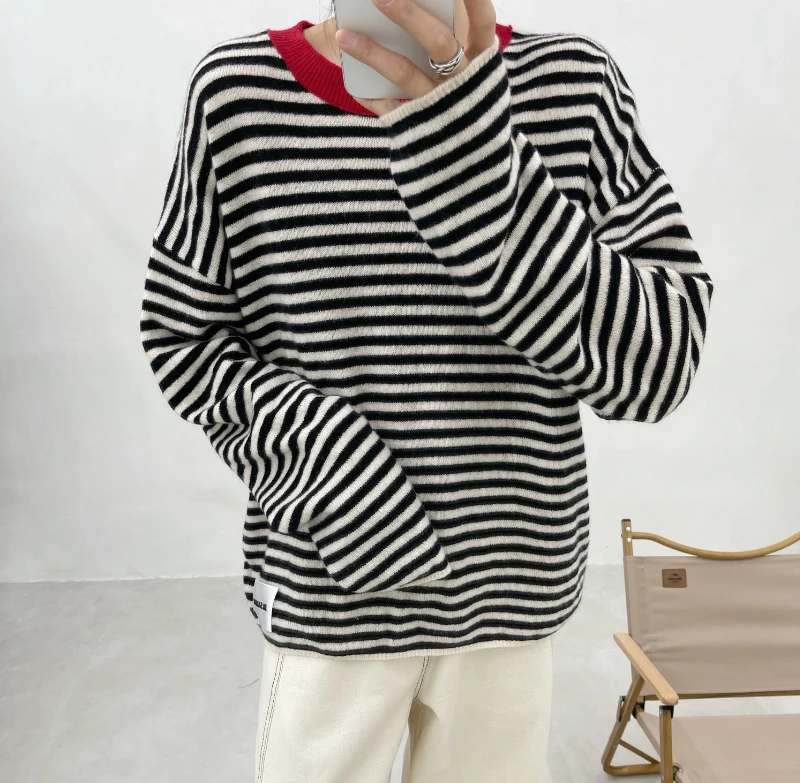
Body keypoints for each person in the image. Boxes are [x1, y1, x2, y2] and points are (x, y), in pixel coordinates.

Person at [138, 0, 714, 780]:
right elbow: (185, 334)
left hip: (509, 595)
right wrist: (330, 464)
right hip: (329, 587)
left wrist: (467, 149)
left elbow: (660, 363)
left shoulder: (571, 85)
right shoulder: (238, 95)